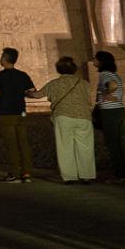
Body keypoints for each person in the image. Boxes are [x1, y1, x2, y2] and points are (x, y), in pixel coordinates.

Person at [0, 47, 40, 182]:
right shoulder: (23, 75)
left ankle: (14, 174)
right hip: (20, 112)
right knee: (23, 143)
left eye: (1, 56)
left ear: (5, 59)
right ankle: (26, 173)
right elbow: (33, 92)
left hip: (5, 113)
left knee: (11, 144)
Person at [40, 55, 96, 184]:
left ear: (59, 69)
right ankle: (86, 175)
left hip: (63, 116)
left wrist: (26, 92)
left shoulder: (54, 84)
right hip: (84, 117)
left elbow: (38, 94)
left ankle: (69, 176)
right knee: (86, 147)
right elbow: (89, 99)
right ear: (74, 69)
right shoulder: (84, 83)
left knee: (65, 147)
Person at [93, 49, 125, 182]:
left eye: (95, 59)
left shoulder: (105, 74)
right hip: (118, 110)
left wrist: (107, 95)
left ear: (101, 61)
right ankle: (123, 173)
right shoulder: (114, 74)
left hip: (109, 112)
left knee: (112, 144)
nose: (93, 61)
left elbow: (112, 86)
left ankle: (119, 175)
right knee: (118, 144)